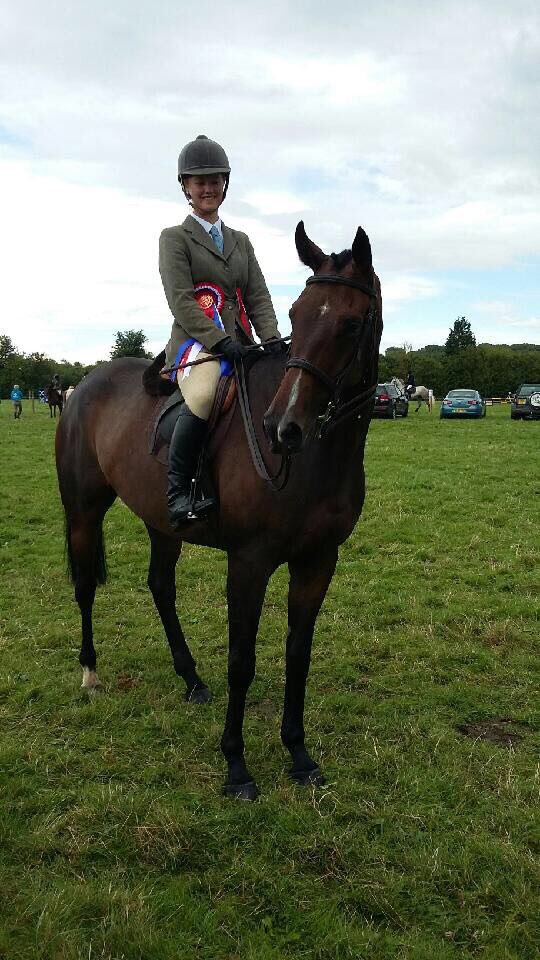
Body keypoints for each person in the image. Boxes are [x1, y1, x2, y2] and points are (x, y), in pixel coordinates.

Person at [159, 134, 282, 528]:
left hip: (241, 343)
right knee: (205, 391)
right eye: (200, 182)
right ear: (186, 188)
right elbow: (180, 300)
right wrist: (219, 340)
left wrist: (273, 340)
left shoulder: (240, 241)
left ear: (224, 185)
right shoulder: (175, 238)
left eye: (214, 180)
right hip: (198, 346)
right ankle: (180, 491)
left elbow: (258, 296)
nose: (208, 188)